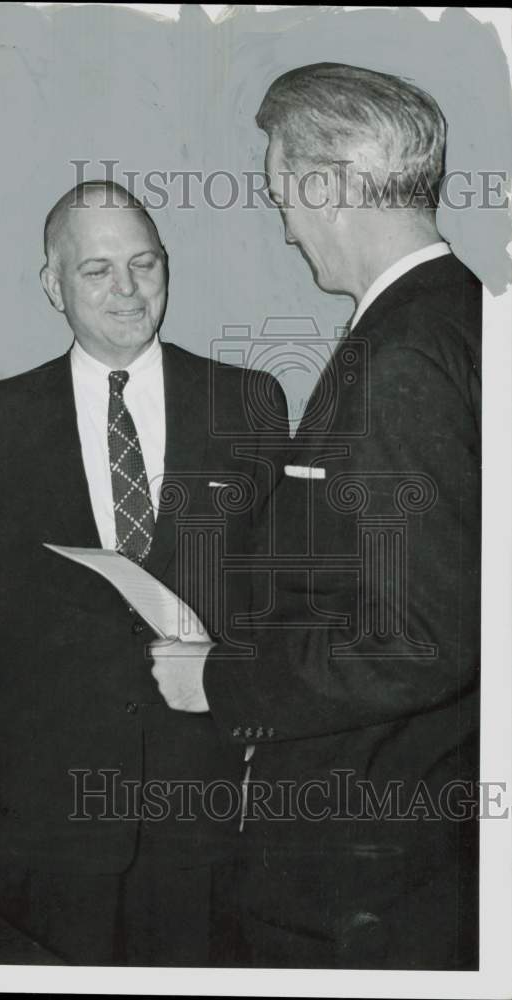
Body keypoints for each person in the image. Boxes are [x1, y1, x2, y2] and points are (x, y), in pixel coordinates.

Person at [0, 180, 289, 965]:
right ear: (53, 284)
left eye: (145, 265)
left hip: (203, 803)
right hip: (50, 810)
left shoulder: (246, 401)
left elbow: (273, 586)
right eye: (98, 271)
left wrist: (263, 726)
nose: (127, 290)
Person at [151, 63, 481, 968]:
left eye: (280, 196)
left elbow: (422, 637)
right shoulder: (464, 321)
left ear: (326, 185)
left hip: (368, 856)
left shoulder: (400, 356)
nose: (288, 228)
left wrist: (217, 680)